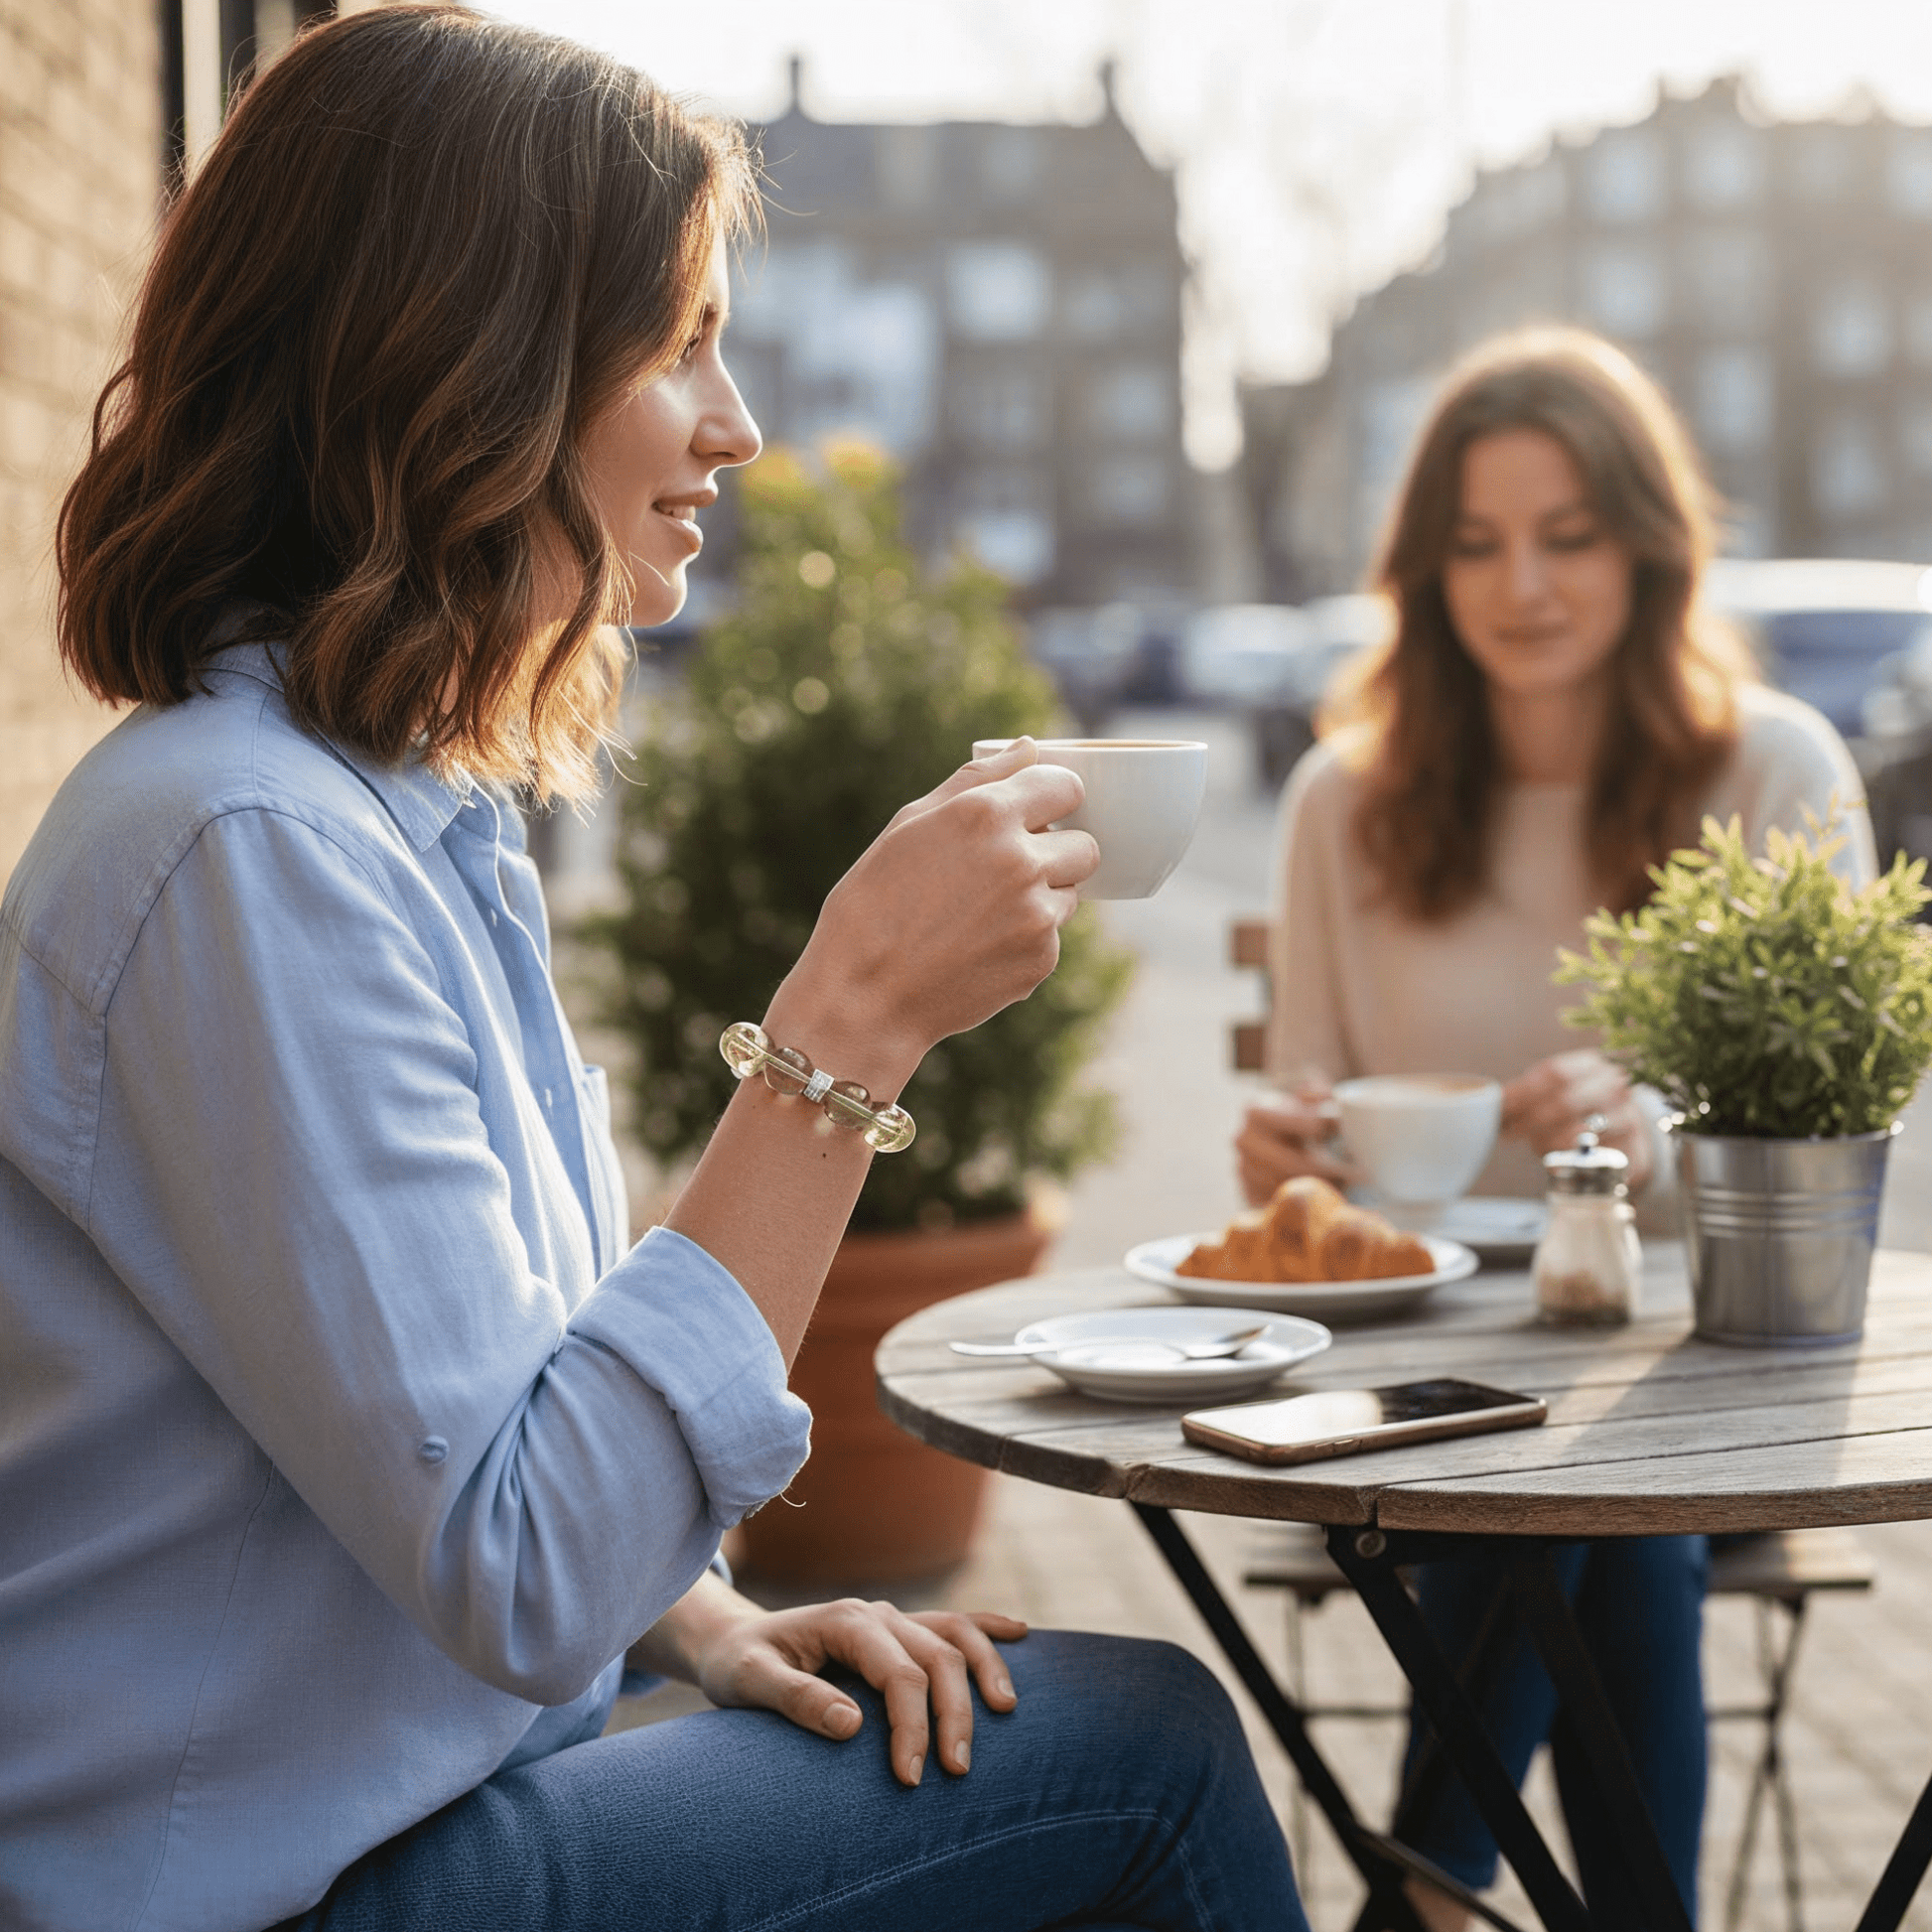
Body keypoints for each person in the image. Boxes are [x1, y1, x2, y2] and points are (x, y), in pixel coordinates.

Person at [0, 10, 1311, 1931]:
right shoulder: (241, 851)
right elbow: (521, 1562)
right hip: (250, 1894)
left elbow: (439, 1408)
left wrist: (702, 1615)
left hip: (384, 1814)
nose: (739, 422)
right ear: (468, 362)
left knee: (1005, 1715)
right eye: (678, 338)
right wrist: (845, 1028)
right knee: (1143, 1747)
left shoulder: (385, 819)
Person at [1234, 326, 1874, 1930]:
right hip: (1402, 1391)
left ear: (1647, 547)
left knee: (1602, 1503)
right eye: (1475, 543)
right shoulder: (1342, 798)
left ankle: (1421, 1896)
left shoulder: (1769, 765)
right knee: (1592, 1529)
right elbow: (1301, 1115)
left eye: (1566, 534)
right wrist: (1287, 1163)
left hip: (1707, 1386)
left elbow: (1840, 1113)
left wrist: (1662, 1117)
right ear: (1423, 568)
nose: (1520, 582)